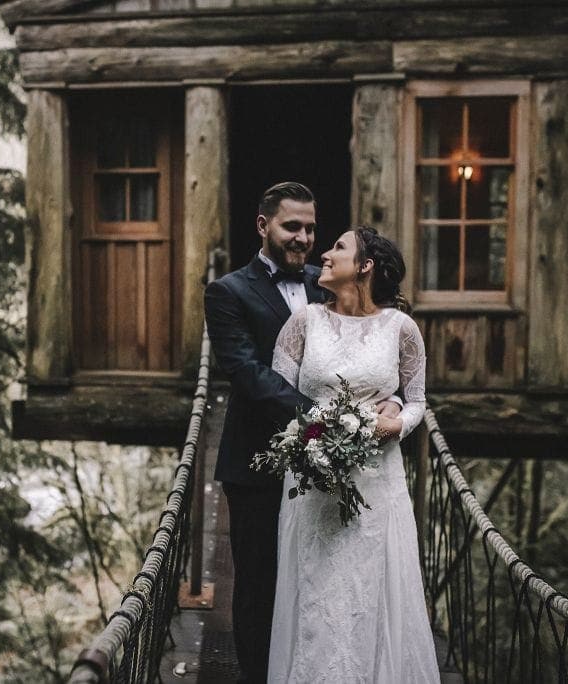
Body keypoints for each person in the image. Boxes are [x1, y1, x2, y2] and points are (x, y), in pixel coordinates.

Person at [204, 183, 400, 683]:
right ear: (262, 225)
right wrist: (327, 419)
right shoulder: (227, 292)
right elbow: (246, 372)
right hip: (257, 463)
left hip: (335, 466)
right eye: (292, 227)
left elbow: (379, 339)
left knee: (321, 580)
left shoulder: (330, 280)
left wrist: (395, 400)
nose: (304, 238)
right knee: (258, 586)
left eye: (311, 228)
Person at [266, 227, 440, 683]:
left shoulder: (402, 329)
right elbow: (278, 397)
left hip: (376, 480)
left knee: (369, 589)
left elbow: (418, 398)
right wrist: (306, 440)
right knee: (316, 589)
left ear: (365, 267)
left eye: (338, 248)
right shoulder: (302, 323)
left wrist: (398, 418)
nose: (324, 253)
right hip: (312, 481)